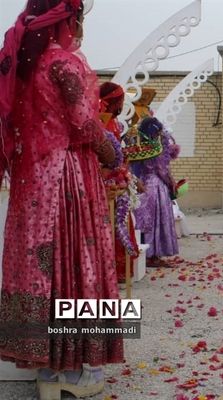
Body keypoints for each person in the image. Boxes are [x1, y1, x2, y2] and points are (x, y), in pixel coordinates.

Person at [0, 1, 123, 398]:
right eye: (77, 21)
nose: (79, 29)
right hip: (68, 176)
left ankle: (46, 373)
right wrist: (111, 152)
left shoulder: (23, 68)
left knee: (41, 271)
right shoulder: (63, 64)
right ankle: (72, 375)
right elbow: (84, 123)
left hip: (30, 178)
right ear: (65, 22)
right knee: (73, 265)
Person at [99, 81, 140, 282]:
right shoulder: (101, 121)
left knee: (121, 222)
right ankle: (110, 273)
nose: (122, 105)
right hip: (105, 181)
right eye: (121, 100)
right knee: (111, 225)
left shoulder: (114, 122)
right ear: (112, 101)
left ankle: (121, 271)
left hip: (118, 179)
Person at [129, 117, 180, 268]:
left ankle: (146, 254)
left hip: (142, 185)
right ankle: (154, 255)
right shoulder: (154, 147)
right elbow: (161, 169)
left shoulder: (138, 145)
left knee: (144, 221)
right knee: (157, 220)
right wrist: (171, 182)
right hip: (156, 187)